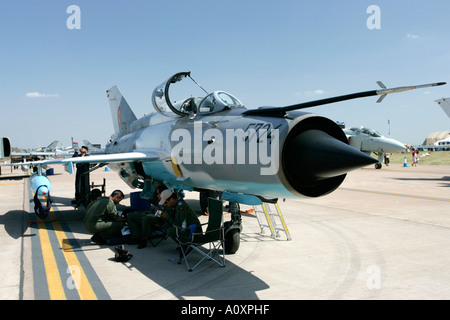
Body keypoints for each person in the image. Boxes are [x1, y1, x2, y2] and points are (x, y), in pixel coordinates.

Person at [127, 184, 168, 249]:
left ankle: (143, 240)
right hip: (155, 216)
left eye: (158, 193)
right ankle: (136, 237)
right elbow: (156, 210)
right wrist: (148, 213)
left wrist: (153, 215)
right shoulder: (160, 200)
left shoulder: (168, 202)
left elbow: (165, 216)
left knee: (146, 219)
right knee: (131, 215)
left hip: (161, 221)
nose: (157, 195)